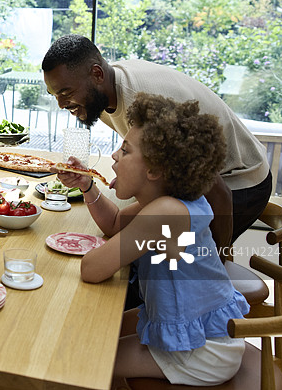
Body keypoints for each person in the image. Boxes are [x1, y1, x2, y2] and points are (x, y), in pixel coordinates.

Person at [59, 93, 249, 388]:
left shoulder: (165, 213)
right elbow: (113, 224)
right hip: (202, 333)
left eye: (125, 150)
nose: (114, 157)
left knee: (83, 356)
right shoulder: (170, 202)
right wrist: (88, 185)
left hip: (203, 351)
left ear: (155, 170)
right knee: (93, 332)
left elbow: (92, 269)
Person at [42, 35, 271, 249]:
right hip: (197, 182)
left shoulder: (147, 102)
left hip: (238, 182)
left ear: (97, 74)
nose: (61, 104)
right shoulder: (99, 91)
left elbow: (218, 193)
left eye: (65, 92)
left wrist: (218, 263)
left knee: (175, 265)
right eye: (54, 94)